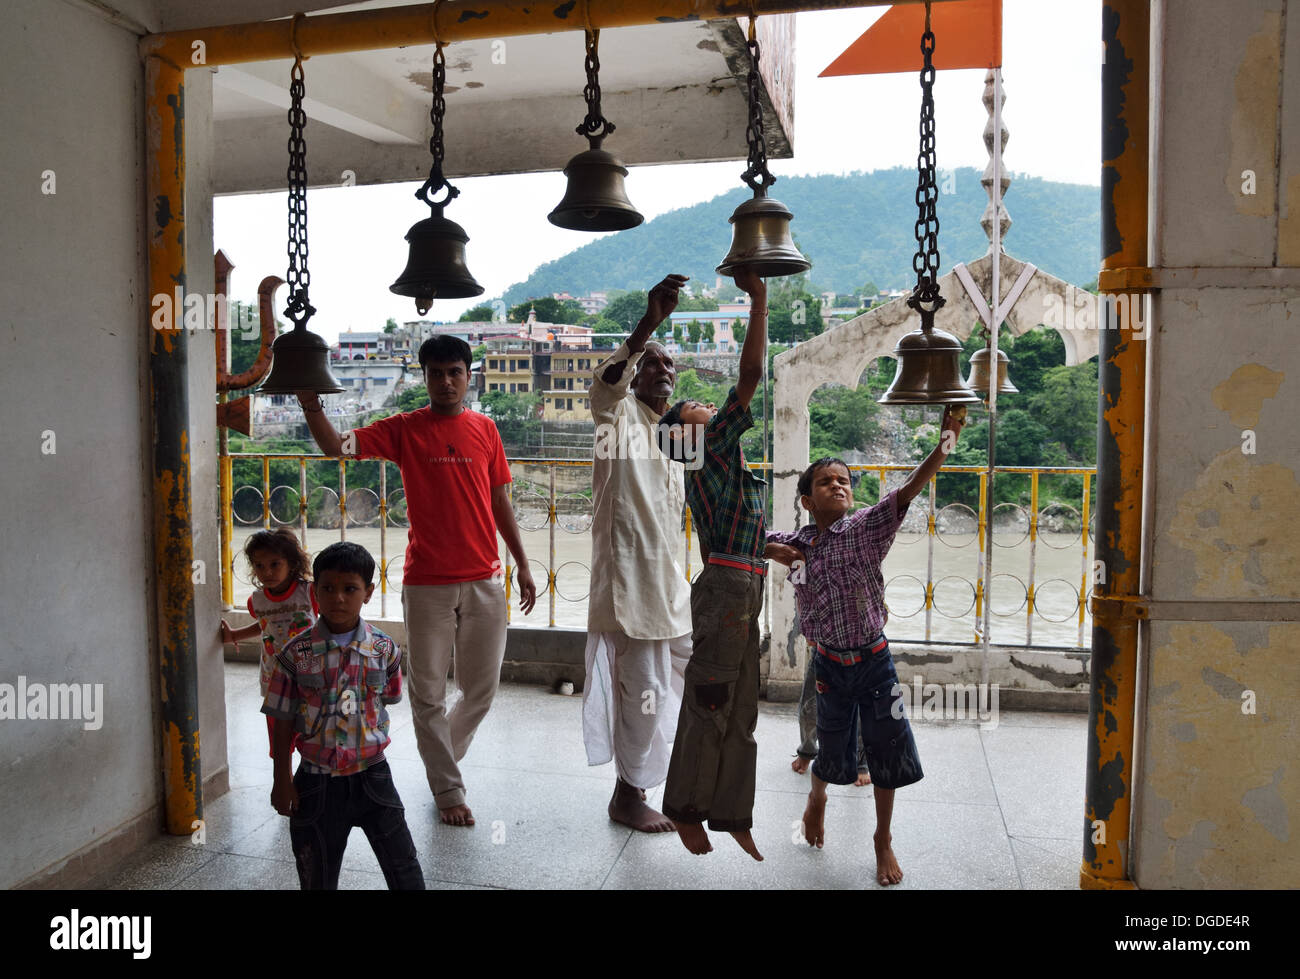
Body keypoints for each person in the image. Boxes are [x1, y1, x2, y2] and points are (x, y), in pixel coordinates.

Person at [295, 334, 536, 828]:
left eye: (455, 372)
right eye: (436, 373)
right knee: (426, 692)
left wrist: (523, 563)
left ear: (470, 376)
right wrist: (310, 403)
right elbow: (334, 446)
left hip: (486, 579)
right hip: (427, 582)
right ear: (423, 376)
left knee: (481, 690)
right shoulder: (404, 429)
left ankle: (438, 759)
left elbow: (499, 502)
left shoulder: (486, 429)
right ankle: (447, 787)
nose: (446, 382)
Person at [764, 407, 965, 885]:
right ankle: (817, 799)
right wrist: (778, 551)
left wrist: (946, 442)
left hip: (875, 662)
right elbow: (746, 540)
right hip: (828, 665)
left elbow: (909, 489)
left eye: (845, 481)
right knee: (828, 746)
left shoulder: (867, 529)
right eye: (826, 482)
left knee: (887, 750)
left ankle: (883, 838)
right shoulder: (799, 542)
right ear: (807, 501)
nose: (838, 486)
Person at [655, 268, 769, 861]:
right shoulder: (710, 452)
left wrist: (774, 547)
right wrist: (759, 299)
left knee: (742, 708)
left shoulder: (733, 471)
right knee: (711, 702)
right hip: (726, 590)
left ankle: (729, 812)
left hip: (746, 585)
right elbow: (750, 375)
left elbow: (746, 536)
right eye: (690, 406)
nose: (701, 403)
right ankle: (684, 809)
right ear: (685, 439)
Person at [584, 274, 693, 833]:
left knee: (684, 683)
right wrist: (649, 324)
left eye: (670, 367)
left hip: (671, 588)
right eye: (654, 365)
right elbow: (605, 382)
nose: (665, 373)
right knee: (642, 693)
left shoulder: (673, 435)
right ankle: (627, 795)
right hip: (631, 589)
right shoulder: (617, 414)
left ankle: (669, 781)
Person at [263, 541, 424, 890]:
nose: (338, 598)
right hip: (316, 782)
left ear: (367, 592)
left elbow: (391, 696)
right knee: (316, 872)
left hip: (374, 776)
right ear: (314, 592)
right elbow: (282, 718)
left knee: (404, 868)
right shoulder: (295, 654)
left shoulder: (384, 649)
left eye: (350, 589)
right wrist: (282, 779)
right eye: (328, 588)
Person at [220, 527, 318, 757]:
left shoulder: (310, 592)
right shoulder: (257, 601)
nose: (267, 572)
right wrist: (234, 635)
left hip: (310, 676)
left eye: (275, 564)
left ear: (292, 563)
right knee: (279, 740)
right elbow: (265, 625)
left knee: (312, 735)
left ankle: (310, 782)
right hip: (274, 676)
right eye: (259, 565)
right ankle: (283, 781)